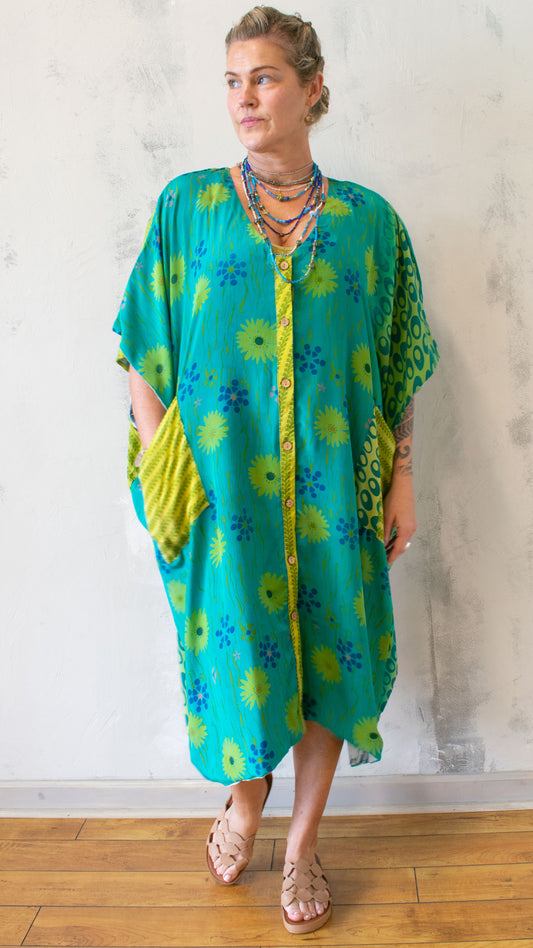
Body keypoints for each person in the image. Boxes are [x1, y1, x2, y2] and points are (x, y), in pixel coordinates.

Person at [114, 5, 439, 935]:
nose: (243, 98)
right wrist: (163, 471)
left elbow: (394, 364)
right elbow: (143, 345)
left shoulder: (371, 225)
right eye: (232, 81)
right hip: (223, 492)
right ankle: (246, 797)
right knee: (239, 647)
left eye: (262, 77)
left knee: (332, 647)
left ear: (312, 88)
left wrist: (401, 476)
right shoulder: (188, 208)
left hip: (337, 490)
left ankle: (300, 846)